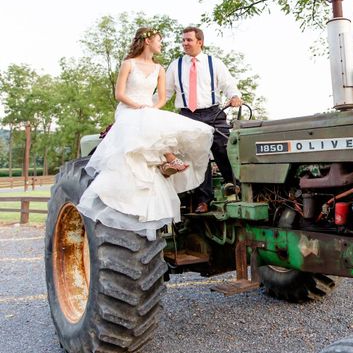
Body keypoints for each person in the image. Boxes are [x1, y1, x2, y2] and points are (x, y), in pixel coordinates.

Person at [77, 28, 214, 240]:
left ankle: (167, 160)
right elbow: (120, 94)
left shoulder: (160, 68)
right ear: (148, 41)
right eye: (159, 40)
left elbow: (161, 98)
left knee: (163, 124)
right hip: (129, 110)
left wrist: (151, 108)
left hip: (147, 110)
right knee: (143, 123)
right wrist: (139, 106)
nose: (161, 44)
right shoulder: (128, 64)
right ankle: (169, 159)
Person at [165, 26, 242, 213]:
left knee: (223, 149)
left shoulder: (213, 63)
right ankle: (203, 200)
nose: (185, 43)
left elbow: (228, 83)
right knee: (198, 158)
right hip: (188, 116)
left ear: (200, 42)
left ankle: (236, 188)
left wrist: (235, 96)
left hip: (213, 113)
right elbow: (166, 92)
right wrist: (146, 107)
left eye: (189, 40)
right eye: (183, 40)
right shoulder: (176, 65)